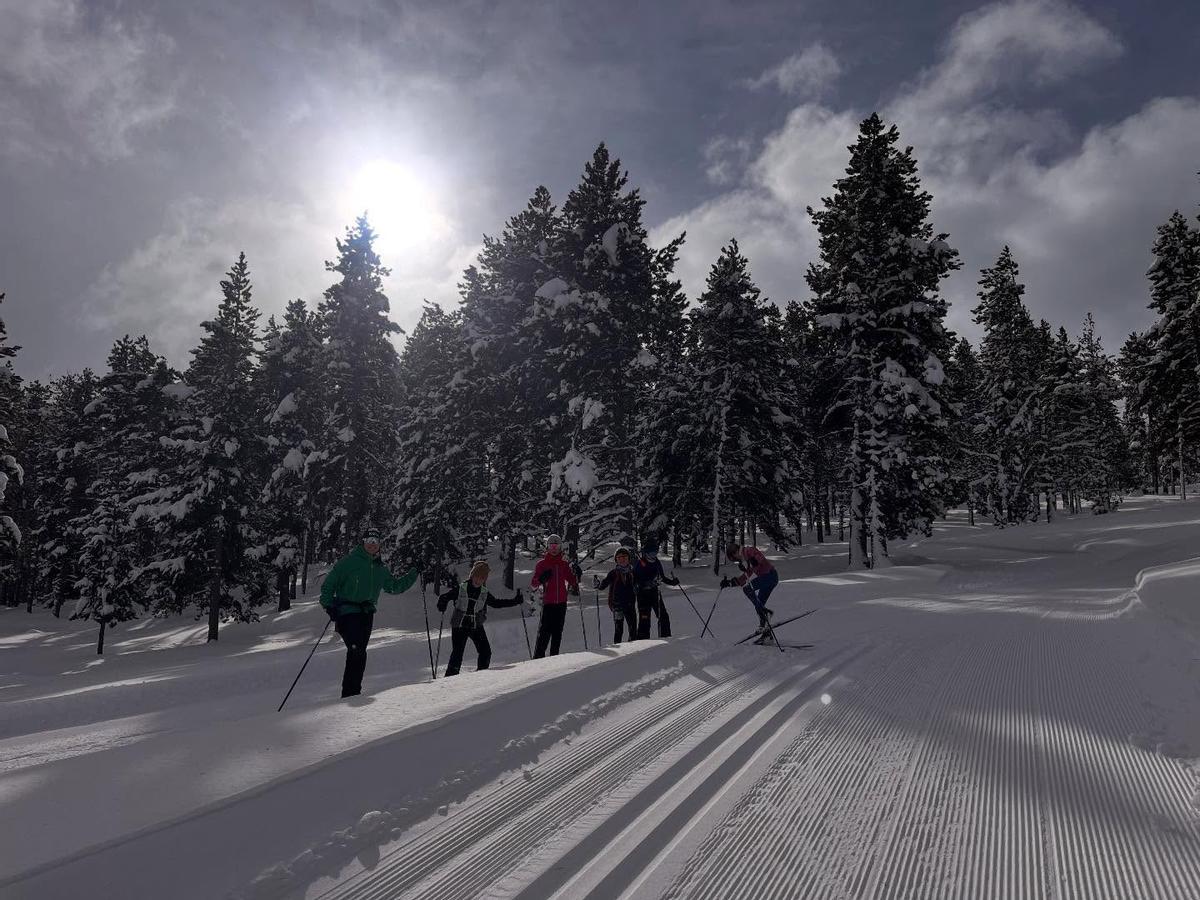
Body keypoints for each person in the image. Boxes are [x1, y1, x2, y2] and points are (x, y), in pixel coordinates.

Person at [320, 526, 420, 698]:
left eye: (376, 542)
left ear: (380, 545)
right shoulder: (348, 562)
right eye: (369, 541)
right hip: (347, 612)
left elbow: (394, 587)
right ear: (363, 542)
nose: (372, 544)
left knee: (360, 653)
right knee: (356, 650)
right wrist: (329, 606)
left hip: (366, 614)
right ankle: (350, 694)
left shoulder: (380, 567)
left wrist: (414, 572)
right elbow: (329, 584)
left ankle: (353, 693)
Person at [435, 560, 523, 677]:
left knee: (485, 652)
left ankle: (480, 676)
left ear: (484, 579)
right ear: (472, 575)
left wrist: (515, 601)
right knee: (457, 653)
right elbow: (446, 597)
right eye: (476, 577)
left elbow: (496, 603)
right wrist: (442, 603)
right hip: (459, 624)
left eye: (482, 578)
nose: (478, 580)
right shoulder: (462, 588)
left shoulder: (484, 592)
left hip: (475, 625)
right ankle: (450, 678)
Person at [529, 533, 580, 658]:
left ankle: (554, 661)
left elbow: (573, 581)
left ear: (560, 548)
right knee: (544, 635)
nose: (554, 549)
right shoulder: (542, 564)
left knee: (557, 634)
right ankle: (537, 660)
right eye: (551, 546)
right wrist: (541, 579)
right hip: (548, 603)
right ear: (548, 547)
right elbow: (533, 585)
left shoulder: (563, 564)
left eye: (556, 546)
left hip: (561, 604)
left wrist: (577, 574)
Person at [721, 542, 778, 636]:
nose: (737, 560)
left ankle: (765, 612)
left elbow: (759, 557)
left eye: (735, 559)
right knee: (759, 605)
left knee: (747, 590)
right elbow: (745, 577)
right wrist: (730, 583)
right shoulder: (746, 560)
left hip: (769, 576)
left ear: (735, 553)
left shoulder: (748, 551)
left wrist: (753, 561)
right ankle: (766, 633)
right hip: (768, 579)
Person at [633, 542, 679, 639]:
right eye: (651, 553)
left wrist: (673, 582)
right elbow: (635, 581)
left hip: (655, 594)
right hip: (643, 596)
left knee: (663, 617)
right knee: (644, 619)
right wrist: (648, 583)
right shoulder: (640, 563)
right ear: (646, 553)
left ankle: (666, 638)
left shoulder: (657, 562)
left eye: (655, 553)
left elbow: (662, 577)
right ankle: (642, 643)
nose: (653, 555)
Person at [595, 547, 638, 644]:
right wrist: (598, 585)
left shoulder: (633, 572)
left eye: (624, 557)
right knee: (619, 630)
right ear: (616, 560)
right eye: (619, 558)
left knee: (633, 629)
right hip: (617, 605)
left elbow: (638, 584)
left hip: (630, 605)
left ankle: (634, 650)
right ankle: (620, 653)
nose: (622, 559)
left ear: (629, 559)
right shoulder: (613, 573)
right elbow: (603, 585)